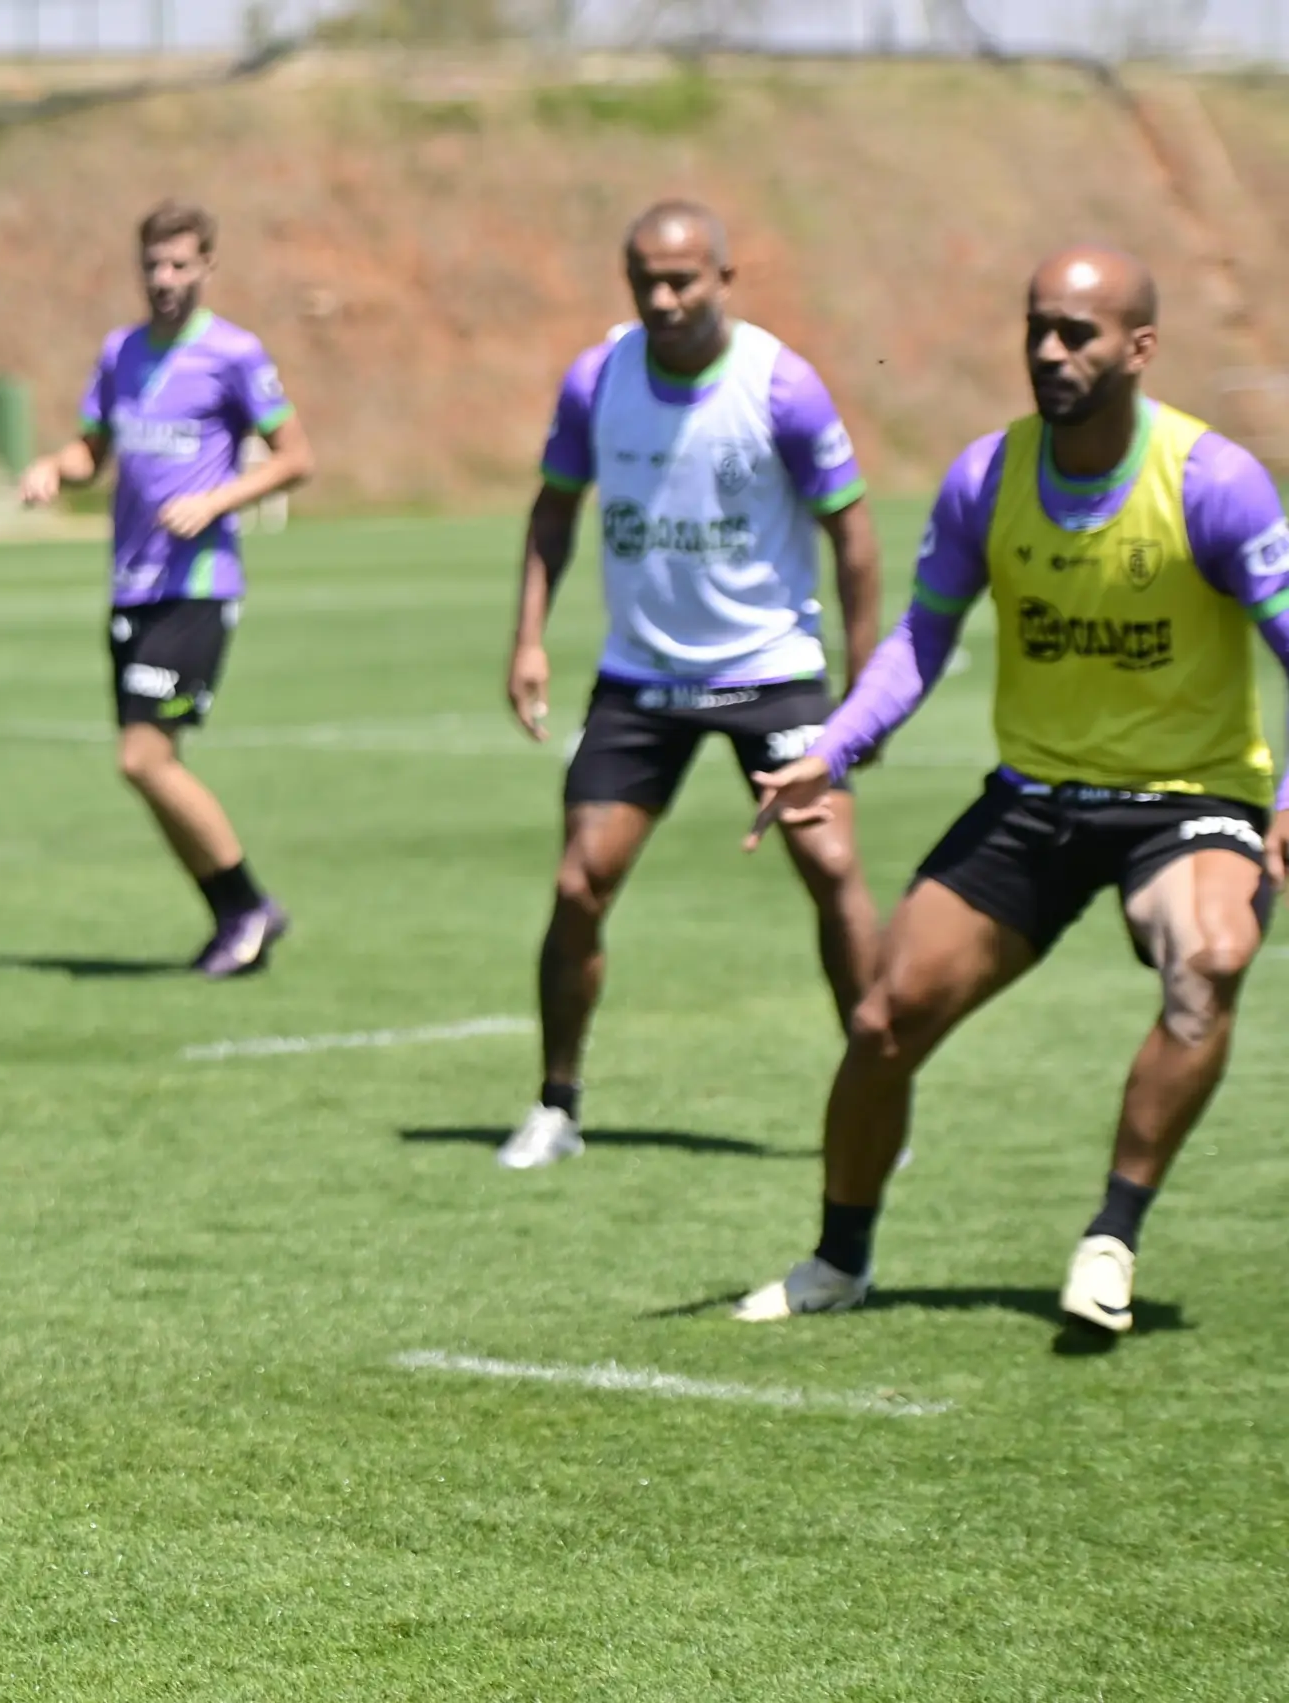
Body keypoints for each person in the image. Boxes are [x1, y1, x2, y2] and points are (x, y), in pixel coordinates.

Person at [736, 246, 1289, 1335]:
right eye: (1037, 326)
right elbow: (920, 637)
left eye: (1076, 332)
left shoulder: (1213, 482)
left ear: (1139, 348)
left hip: (1187, 799)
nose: (1047, 349)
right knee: (884, 1018)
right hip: (1035, 796)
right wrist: (831, 746)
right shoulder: (987, 475)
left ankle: (1110, 1237)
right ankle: (838, 1260)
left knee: (1209, 958)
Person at [496, 201, 884, 1169]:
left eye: (683, 280)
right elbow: (552, 511)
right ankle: (556, 1103)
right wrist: (529, 639)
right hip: (642, 674)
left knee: (832, 869)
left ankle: (879, 1089)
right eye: (646, 281)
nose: (663, 298)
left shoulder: (781, 386)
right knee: (578, 881)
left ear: (724, 279)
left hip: (772, 670)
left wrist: (867, 688)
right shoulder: (596, 380)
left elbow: (854, 534)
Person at [19, 199, 315, 977]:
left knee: (143, 758)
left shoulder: (233, 354)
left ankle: (247, 904)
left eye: (181, 264)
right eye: (153, 265)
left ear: (208, 267)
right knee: (147, 766)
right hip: (131, 587)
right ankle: (234, 916)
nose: (165, 279)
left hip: (198, 585)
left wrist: (215, 501)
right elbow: (94, 452)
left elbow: (295, 457)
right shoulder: (121, 353)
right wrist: (56, 467)